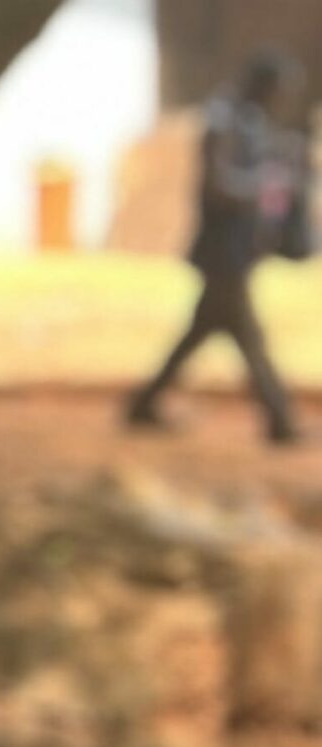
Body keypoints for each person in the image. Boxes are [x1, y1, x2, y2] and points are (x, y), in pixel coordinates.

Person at [128, 46, 311, 447]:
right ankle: (279, 421)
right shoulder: (224, 123)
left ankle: (143, 403)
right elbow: (218, 186)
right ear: (265, 86)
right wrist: (265, 184)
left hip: (239, 250)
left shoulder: (252, 124)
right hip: (222, 251)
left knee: (204, 330)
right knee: (248, 337)